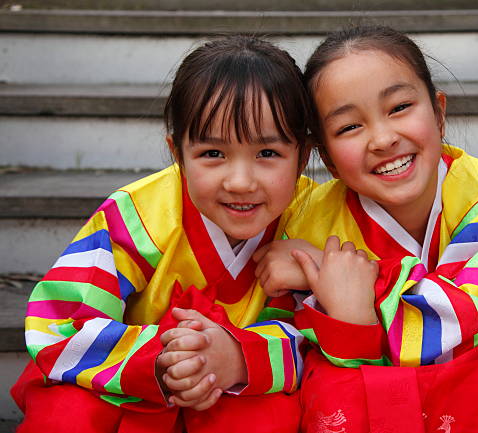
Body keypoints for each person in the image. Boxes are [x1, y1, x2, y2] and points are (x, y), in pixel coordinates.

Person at [255, 26, 478, 433]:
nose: (384, 138)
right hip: (374, 374)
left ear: (439, 113)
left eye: (400, 107)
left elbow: (462, 318)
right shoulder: (311, 222)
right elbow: (295, 334)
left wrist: (332, 274)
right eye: (349, 128)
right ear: (327, 158)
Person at [11, 35, 315, 433]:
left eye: (268, 154)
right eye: (213, 153)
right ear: (178, 154)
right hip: (127, 378)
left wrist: (237, 358)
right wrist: (159, 358)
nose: (241, 182)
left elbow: (320, 334)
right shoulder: (137, 215)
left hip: (243, 387)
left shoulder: (310, 215)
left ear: (303, 155)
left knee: (271, 418)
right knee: (69, 414)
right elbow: (58, 322)